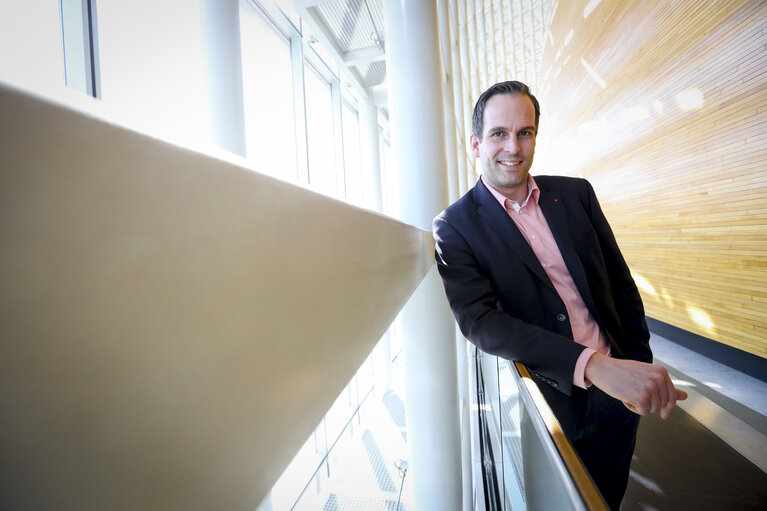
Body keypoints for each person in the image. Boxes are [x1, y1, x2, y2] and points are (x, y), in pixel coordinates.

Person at [433, 80, 687, 509]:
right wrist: (591, 366)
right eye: (498, 134)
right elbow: (481, 322)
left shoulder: (575, 194)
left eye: (524, 132)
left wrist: (636, 361)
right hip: (549, 402)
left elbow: (620, 284)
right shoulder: (455, 226)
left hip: (617, 396)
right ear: (475, 143)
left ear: (535, 136)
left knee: (606, 498)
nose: (513, 146)